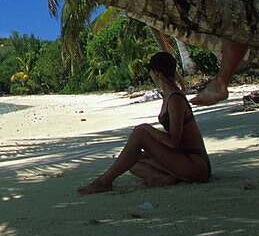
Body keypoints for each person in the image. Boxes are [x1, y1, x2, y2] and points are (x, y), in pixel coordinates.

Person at [78, 52, 210, 194]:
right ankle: (163, 178)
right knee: (131, 160)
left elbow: (174, 141)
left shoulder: (175, 99)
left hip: (195, 165)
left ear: (156, 73)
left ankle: (104, 181)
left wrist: (147, 129)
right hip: (184, 159)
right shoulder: (170, 95)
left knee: (139, 133)